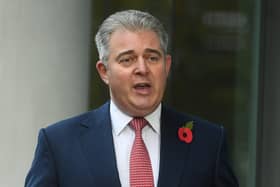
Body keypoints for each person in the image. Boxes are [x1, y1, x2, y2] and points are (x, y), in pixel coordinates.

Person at [25, 10, 239, 187]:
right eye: (127, 59)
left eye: (152, 58)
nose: (142, 69)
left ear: (167, 66)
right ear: (104, 71)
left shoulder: (208, 142)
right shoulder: (59, 144)